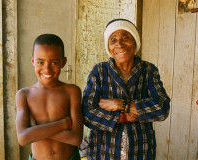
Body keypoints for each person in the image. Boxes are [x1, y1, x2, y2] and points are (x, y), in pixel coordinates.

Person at [82, 19, 170, 160]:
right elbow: (88, 114)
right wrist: (121, 117)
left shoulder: (148, 70)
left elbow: (162, 108)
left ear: (135, 42)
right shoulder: (99, 71)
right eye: (113, 40)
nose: (119, 44)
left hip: (140, 150)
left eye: (125, 38)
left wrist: (122, 105)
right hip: (104, 151)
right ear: (109, 47)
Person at [15, 34, 83, 160]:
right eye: (40, 62)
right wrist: (64, 124)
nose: (47, 69)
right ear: (32, 61)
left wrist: (35, 130)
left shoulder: (72, 91)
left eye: (54, 62)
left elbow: (76, 139)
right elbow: (23, 138)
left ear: (63, 62)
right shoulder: (24, 95)